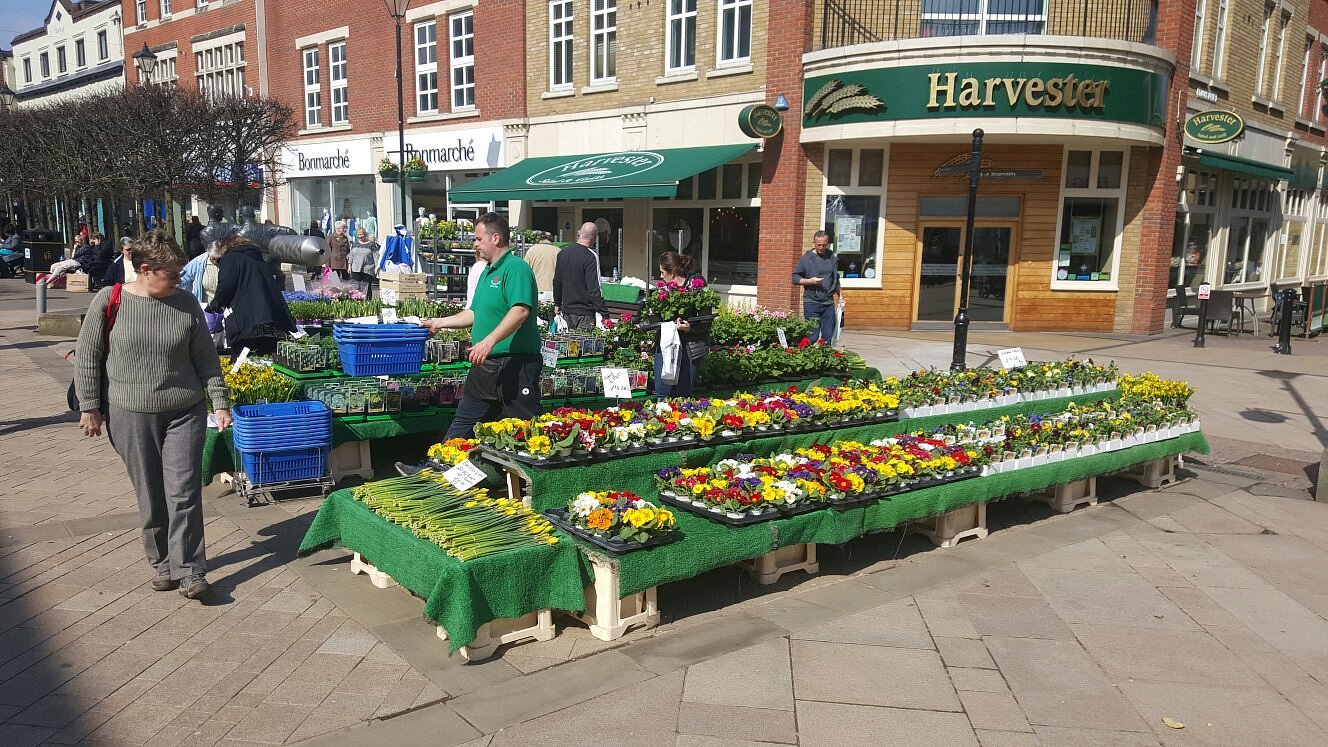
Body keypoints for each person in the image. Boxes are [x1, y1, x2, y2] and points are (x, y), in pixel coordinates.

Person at [73, 229, 231, 600]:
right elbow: (88, 358)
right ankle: (162, 563)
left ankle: (191, 569)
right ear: (145, 270)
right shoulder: (108, 301)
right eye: (172, 275)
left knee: (184, 492)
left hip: (183, 410)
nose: (179, 280)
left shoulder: (187, 304)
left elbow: (206, 360)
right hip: (129, 413)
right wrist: (90, 407)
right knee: (150, 493)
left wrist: (220, 402)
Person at [421, 213, 541, 438]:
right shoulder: (487, 271)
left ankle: (532, 473)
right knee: (464, 422)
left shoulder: (516, 269)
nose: (475, 244)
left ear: (495, 238)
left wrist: (489, 341)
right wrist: (440, 322)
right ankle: (437, 467)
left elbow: (520, 310)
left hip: (516, 365)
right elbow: (473, 312)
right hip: (486, 365)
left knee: (523, 430)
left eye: (478, 239)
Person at [206, 235, 297, 354]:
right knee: (267, 355)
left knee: (242, 357)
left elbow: (226, 285)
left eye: (215, 260)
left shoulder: (230, 258)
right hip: (269, 315)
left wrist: (215, 304)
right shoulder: (256, 258)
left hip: (246, 318)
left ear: (223, 249)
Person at [653, 251, 711, 397]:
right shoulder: (663, 290)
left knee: (683, 393)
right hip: (667, 344)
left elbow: (706, 319)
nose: (660, 276)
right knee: (662, 391)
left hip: (690, 346)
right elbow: (652, 315)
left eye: (662, 272)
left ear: (672, 273)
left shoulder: (695, 285)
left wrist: (690, 328)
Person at [553, 222, 609, 330]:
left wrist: (557, 303)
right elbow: (595, 289)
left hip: (567, 311)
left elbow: (557, 281)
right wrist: (605, 315)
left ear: (580, 233)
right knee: (584, 345)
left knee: (568, 344)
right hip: (585, 313)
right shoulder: (591, 256)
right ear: (594, 238)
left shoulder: (563, 253)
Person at [792, 230, 841, 344]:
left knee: (828, 338)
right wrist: (810, 281)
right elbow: (795, 278)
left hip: (828, 303)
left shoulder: (832, 257)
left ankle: (825, 360)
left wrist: (841, 297)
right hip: (812, 302)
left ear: (828, 243)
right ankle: (801, 355)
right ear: (814, 243)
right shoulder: (806, 258)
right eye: (818, 245)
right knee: (812, 337)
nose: (821, 247)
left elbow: (836, 279)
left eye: (824, 245)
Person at [524, 232, 561, 300]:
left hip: (536, 291)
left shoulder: (531, 250)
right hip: (553, 291)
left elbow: (525, 271)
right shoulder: (558, 251)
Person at [349, 227, 379, 297]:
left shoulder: (372, 245)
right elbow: (351, 255)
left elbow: (376, 256)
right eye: (358, 235)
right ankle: (357, 300)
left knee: (367, 287)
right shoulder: (354, 244)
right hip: (355, 268)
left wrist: (376, 267)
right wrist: (349, 265)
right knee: (356, 287)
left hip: (367, 269)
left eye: (361, 234)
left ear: (365, 234)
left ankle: (368, 301)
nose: (360, 236)